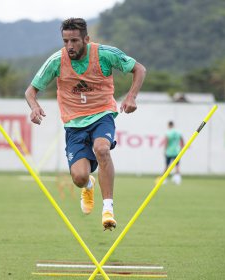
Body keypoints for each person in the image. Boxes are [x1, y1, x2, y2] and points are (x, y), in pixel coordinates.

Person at [25, 18, 146, 230]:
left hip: (102, 115)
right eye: (65, 41)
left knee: (102, 148)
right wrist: (34, 107)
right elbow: (30, 91)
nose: (69, 46)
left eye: (74, 41)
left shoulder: (105, 54)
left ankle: (108, 208)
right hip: (73, 124)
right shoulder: (56, 61)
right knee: (79, 177)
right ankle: (88, 185)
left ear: (86, 39)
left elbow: (139, 69)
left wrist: (131, 96)